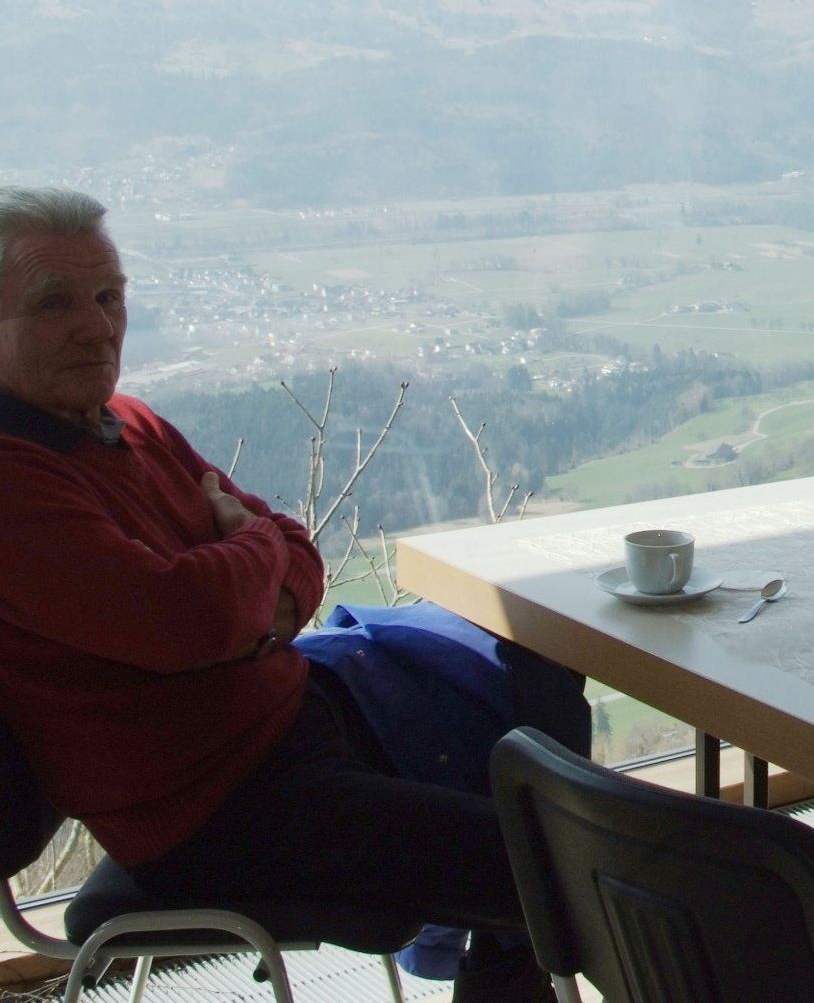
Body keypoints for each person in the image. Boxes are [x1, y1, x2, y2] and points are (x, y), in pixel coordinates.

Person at [0, 185, 566, 1003]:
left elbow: (298, 552)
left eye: (109, 295)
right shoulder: (16, 484)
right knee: (567, 856)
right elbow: (185, 616)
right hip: (216, 809)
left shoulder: (131, 422)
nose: (96, 326)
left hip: (293, 725)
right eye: (54, 304)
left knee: (534, 685)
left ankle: (503, 973)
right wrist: (247, 563)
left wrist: (245, 574)